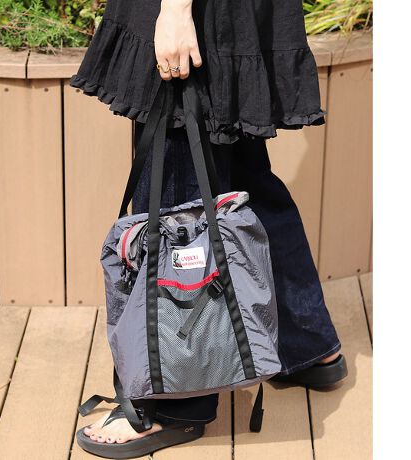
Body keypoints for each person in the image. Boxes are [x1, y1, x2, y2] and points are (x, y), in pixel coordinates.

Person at [71, 0, 347, 456]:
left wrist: (176, 12)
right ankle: (305, 345)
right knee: (243, 178)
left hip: (195, 13)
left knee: (177, 188)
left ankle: (177, 401)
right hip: (234, 14)